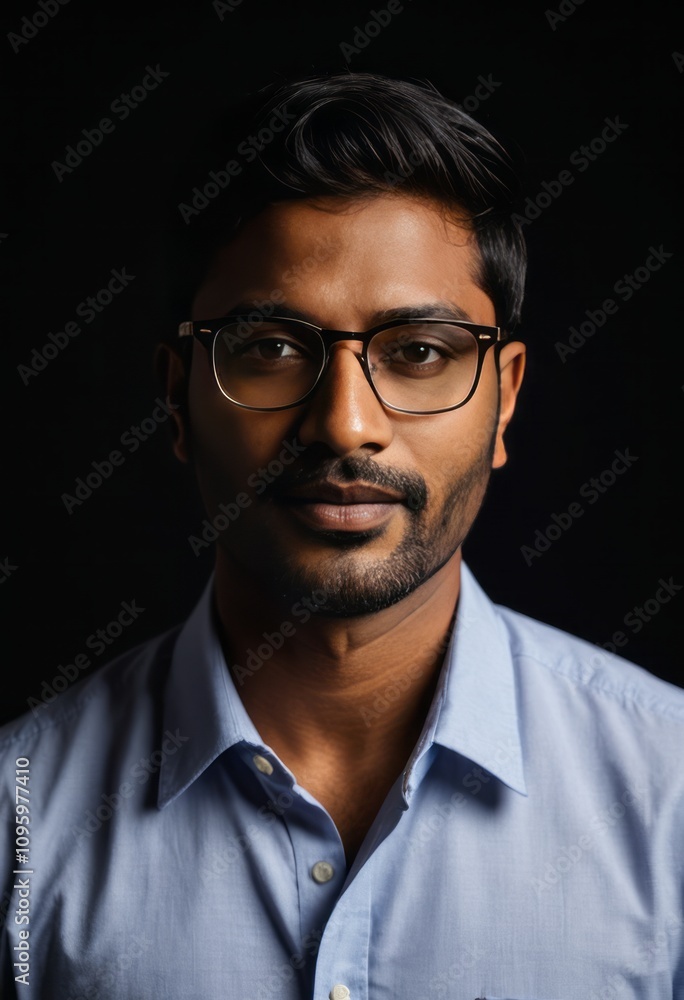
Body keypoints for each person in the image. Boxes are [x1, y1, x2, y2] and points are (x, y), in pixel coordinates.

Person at [1, 71, 682, 1000]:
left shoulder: (670, 793)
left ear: (506, 398)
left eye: (420, 352)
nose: (346, 424)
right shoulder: (20, 819)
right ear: (175, 398)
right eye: (274, 346)